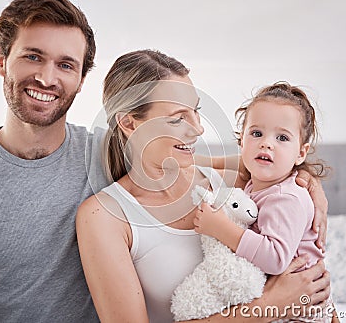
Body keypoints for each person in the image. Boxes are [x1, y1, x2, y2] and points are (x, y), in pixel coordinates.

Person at [76, 51, 331, 323]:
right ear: (129, 123)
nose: (198, 129)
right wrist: (270, 304)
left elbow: (307, 260)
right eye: (177, 118)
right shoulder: (105, 217)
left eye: (196, 111)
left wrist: (309, 182)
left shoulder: (233, 180)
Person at [0, 0, 109, 322]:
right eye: (33, 56)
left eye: (66, 65)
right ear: (1, 60)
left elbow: (191, 168)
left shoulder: (109, 154)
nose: (47, 77)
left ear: (81, 79)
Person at [193, 82, 336, 322]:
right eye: (256, 133)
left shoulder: (286, 197)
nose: (266, 143)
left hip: (302, 310)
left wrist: (220, 228)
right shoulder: (257, 184)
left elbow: (275, 258)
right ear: (241, 143)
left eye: (282, 137)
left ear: (301, 153)